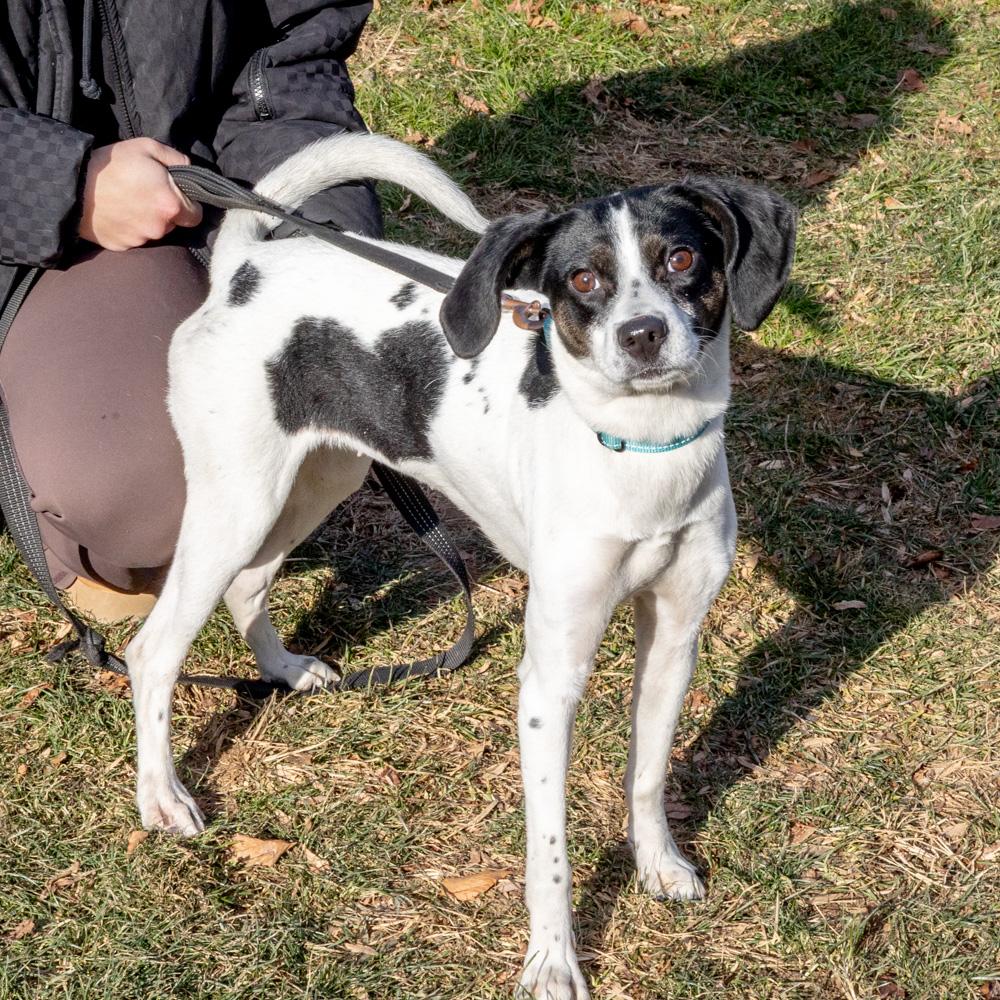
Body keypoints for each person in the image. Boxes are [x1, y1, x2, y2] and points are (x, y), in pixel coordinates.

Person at [0, 0, 382, 620]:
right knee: (145, 484)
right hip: (39, 203)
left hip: (169, 203)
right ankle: (60, 494)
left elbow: (287, 54)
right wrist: (61, 185)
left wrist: (322, 242)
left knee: (295, 413)